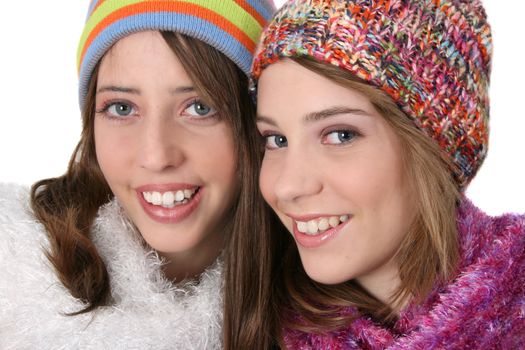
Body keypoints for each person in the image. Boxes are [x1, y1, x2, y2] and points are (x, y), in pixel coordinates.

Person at [249, 0, 525, 348]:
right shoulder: (251, 329)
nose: (288, 186)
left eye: (341, 135)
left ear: (434, 146)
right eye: (276, 140)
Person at [0, 0, 275, 348]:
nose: (156, 156)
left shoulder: (326, 316)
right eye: (122, 107)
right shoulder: (10, 269)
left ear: (258, 126)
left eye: (200, 107)